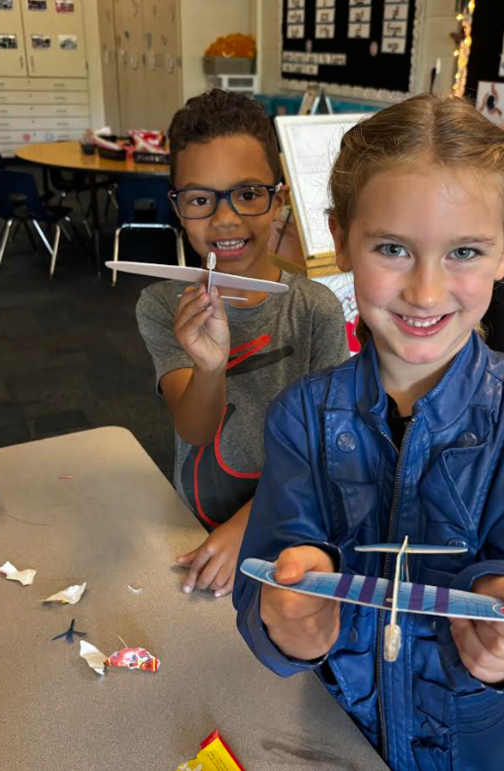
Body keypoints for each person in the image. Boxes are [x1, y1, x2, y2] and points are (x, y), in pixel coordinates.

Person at [233, 94, 504, 770]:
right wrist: (285, 619)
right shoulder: (301, 417)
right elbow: (269, 573)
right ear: (340, 238)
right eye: (393, 248)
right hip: (337, 738)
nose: (427, 293)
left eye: (464, 250)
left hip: (484, 752)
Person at [136, 89, 349, 598]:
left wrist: (251, 524)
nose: (225, 219)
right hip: (196, 525)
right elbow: (195, 427)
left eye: (248, 193)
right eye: (200, 199)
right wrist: (209, 366)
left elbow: (325, 450)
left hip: (293, 523)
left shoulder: (316, 308)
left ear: (278, 199)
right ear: (178, 207)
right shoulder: (163, 305)